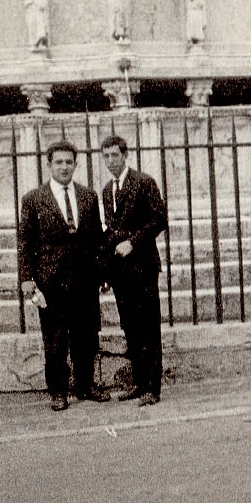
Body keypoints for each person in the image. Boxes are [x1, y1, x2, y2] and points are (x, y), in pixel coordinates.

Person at [18, 140, 109, 410]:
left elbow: (96, 239)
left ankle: (85, 385)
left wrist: (102, 271)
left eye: (69, 162)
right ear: (49, 165)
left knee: (86, 336)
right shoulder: (34, 199)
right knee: (55, 339)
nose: (64, 167)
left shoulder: (88, 196)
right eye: (58, 162)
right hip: (51, 280)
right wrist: (27, 278)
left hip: (84, 278)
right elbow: (25, 241)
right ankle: (58, 391)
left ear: (75, 164)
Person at [100, 135, 168, 406]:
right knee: (130, 328)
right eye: (106, 157)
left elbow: (159, 219)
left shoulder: (143, 182)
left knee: (148, 327)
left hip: (142, 266)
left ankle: (153, 387)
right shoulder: (107, 190)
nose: (110, 161)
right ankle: (139, 383)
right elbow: (109, 232)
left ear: (125, 155)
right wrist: (105, 272)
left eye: (115, 155)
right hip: (120, 271)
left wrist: (133, 242)